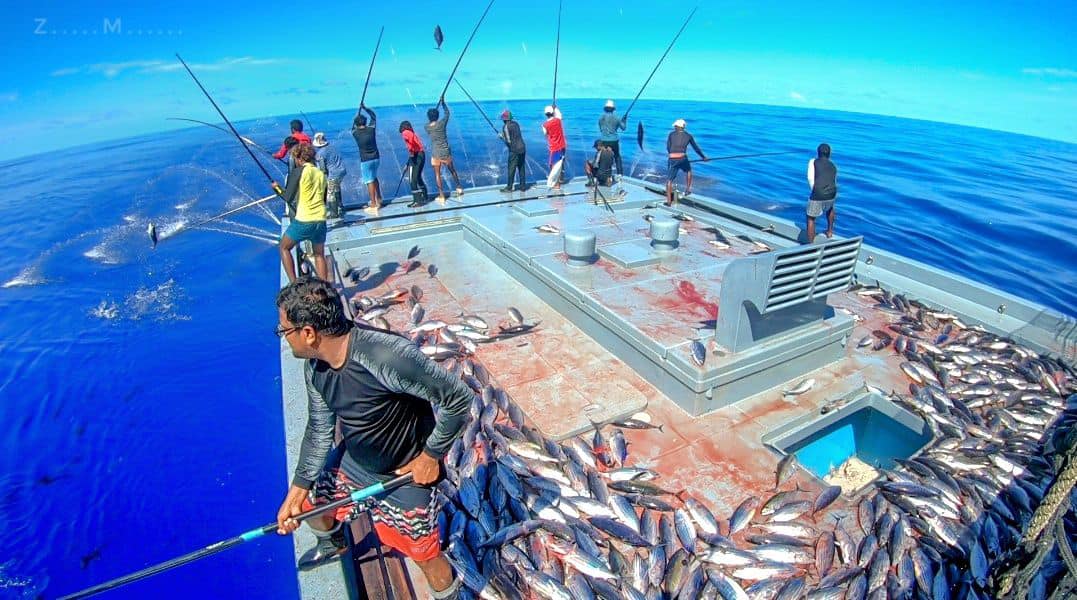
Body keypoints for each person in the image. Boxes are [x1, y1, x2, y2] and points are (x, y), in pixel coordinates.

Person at [274, 277, 471, 599]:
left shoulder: (386, 356)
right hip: (356, 461)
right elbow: (319, 427)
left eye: (285, 331)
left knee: (423, 554)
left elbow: (458, 398)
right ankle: (333, 542)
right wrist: (298, 489)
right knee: (310, 507)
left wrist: (430, 456)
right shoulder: (315, 366)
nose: (284, 338)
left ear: (308, 333)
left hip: (405, 475)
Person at [279, 144, 328, 283]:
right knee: (319, 255)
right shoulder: (321, 174)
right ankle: (325, 287)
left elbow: (287, 197)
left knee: (284, 247)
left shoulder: (298, 171)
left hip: (304, 220)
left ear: (298, 158)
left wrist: (276, 188)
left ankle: (294, 284)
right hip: (321, 219)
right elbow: (323, 199)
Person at [424, 100, 464, 204]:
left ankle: (441, 195)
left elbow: (429, 123)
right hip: (445, 151)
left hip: (435, 153)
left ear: (429, 117)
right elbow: (447, 113)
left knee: (437, 174)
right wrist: (443, 104)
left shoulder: (427, 127)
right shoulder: (441, 124)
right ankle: (459, 187)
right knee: (452, 170)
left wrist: (432, 118)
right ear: (437, 116)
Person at [665, 118, 706, 206]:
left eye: (675, 126)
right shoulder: (689, 136)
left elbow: (668, 148)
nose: (674, 127)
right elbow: (696, 149)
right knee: (688, 171)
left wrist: (673, 156)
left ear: (678, 126)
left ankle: (668, 201)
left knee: (669, 180)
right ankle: (687, 190)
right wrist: (703, 157)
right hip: (683, 158)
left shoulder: (671, 134)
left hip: (672, 158)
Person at [352, 105, 382, 215]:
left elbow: (352, 128)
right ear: (365, 122)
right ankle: (379, 198)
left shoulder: (355, 133)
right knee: (374, 177)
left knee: (369, 180)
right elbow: (373, 116)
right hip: (376, 158)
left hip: (366, 160)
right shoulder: (371, 129)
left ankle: (373, 204)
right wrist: (365, 108)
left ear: (356, 124)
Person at [806, 143, 839, 242]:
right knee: (830, 209)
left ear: (818, 153)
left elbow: (810, 178)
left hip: (818, 193)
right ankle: (829, 231)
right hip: (832, 193)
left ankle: (810, 244)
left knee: (810, 218)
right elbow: (833, 180)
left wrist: (815, 192)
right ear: (829, 154)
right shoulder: (833, 165)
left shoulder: (813, 161)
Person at [312, 133, 347, 220]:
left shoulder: (320, 153)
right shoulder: (332, 147)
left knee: (330, 194)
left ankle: (333, 213)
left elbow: (322, 169)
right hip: (342, 171)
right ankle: (340, 206)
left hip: (333, 174)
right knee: (337, 188)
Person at [399, 121, 429, 208]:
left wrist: (411, 150)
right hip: (421, 154)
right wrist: (408, 163)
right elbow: (415, 145)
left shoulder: (405, 133)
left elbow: (411, 143)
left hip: (416, 156)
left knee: (412, 179)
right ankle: (424, 196)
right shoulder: (412, 132)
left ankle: (417, 201)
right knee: (418, 177)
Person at [499, 110, 527, 192]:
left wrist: (502, 137)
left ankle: (509, 187)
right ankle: (523, 187)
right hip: (522, 148)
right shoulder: (516, 124)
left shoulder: (505, 127)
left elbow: (508, 141)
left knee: (511, 169)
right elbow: (515, 135)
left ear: (504, 119)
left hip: (514, 150)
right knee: (521, 167)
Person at [598, 99, 627, 179]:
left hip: (604, 140)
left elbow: (601, 129)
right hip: (614, 140)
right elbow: (623, 128)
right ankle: (620, 174)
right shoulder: (617, 118)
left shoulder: (601, 118)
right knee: (617, 156)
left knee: (605, 157)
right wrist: (624, 121)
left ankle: (606, 175)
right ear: (613, 109)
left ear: (605, 108)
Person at [542, 105, 567, 191]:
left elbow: (545, 134)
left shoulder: (545, 125)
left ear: (545, 114)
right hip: (562, 145)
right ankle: (561, 179)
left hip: (554, 148)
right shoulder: (558, 120)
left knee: (554, 166)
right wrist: (555, 108)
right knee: (561, 163)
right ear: (552, 113)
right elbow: (560, 114)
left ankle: (557, 184)